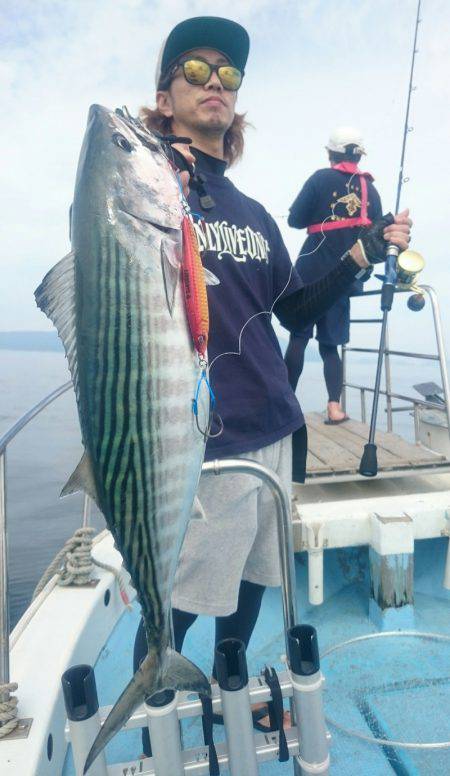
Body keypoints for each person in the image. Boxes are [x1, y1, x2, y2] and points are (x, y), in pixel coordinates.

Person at [133, 16, 411, 749]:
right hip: (205, 439)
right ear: (163, 97)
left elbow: (292, 309)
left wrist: (359, 256)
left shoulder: (255, 215)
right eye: (196, 69)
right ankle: (152, 712)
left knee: (252, 588)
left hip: (275, 430)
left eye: (228, 74)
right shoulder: (146, 189)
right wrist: (160, 167)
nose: (215, 83)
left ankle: (232, 691)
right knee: (179, 603)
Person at [284, 128, 383, 424]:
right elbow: (376, 233)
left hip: (311, 273)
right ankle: (334, 407)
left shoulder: (319, 179)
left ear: (331, 154)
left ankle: (287, 404)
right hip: (345, 275)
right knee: (330, 346)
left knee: (299, 338)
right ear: (358, 155)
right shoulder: (371, 190)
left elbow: (294, 220)